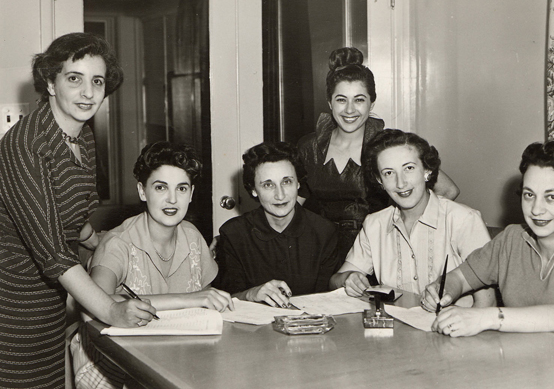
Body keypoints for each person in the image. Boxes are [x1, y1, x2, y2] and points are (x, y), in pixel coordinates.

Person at [0, 33, 156, 388]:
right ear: (51, 83)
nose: (89, 93)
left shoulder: (80, 135)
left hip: (47, 306)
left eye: (97, 81)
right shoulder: (26, 146)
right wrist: (111, 309)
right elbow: (54, 253)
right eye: (75, 78)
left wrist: (101, 242)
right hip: (10, 307)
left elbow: (75, 217)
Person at [72, 141, 233, 388]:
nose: (172, 199)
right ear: (142, 191)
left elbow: (207, 305)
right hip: (109, 361)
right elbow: (95, 303)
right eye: (160, 187)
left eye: (181, 188)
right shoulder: (118, 242)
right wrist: (187, 298)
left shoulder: (193, 237)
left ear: (191, 194)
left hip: (172, 353)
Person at [421, 141, 554, 344]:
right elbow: (460, 278)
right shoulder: (512, 238)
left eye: (551, 197)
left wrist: (485, 317)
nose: (536, 209)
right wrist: (443, 291)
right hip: (525, 360)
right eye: (529, 195)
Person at [297, 47, 460, 259]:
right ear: (329, 102)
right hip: (317, 252)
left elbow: (448, 190)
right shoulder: (308, 147)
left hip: (374, 254)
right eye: (341, 99)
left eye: (359, 99)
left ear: (371, 103)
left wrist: (410, 231)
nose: (349, 110)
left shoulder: (390, 147)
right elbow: (295, 204)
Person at [330, 129, 495, 307]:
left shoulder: (464, 220)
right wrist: (349, 279)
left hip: (457, 330)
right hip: (398, 331)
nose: (400, 183)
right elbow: (335, 281)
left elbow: (487, 303)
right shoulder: (374, 224)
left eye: (409, 168)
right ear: (380, 181)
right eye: (388, 173)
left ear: (427, 170)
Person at [213, 142, 340, 308]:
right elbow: (227, 298)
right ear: (253, 190)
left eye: (287, 182)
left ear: (298, 184)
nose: (280, 195)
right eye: (268, 185)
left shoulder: (324, 232)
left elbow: (328, 298)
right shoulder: (233, 233)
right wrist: (251, 294)